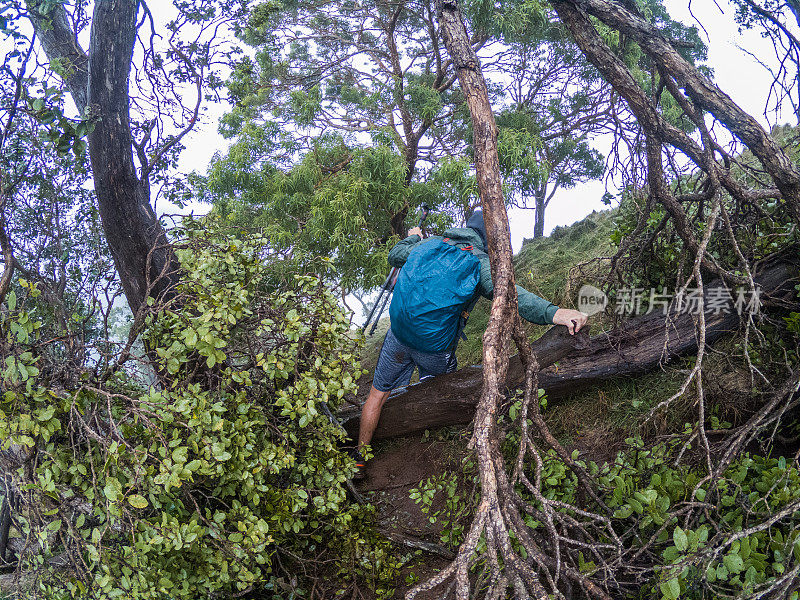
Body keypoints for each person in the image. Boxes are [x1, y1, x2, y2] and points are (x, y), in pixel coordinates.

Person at [353, 210, 588, 476]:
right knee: (443, 388)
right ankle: (437, 447)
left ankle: (360, 458)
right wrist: (555, 313)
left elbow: (395, 255)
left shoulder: (428, 244)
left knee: (376, 394)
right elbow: (512, 295)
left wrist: (412, 238)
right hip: (434, 347)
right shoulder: (478, 261)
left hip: (397, 334)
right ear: (488, 239)